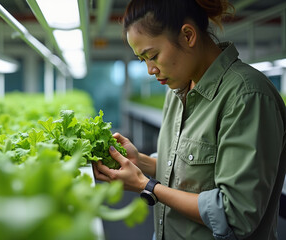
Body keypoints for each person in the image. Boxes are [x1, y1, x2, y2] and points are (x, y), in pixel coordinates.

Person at [93, 0, 286, 239]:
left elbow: (235, 214)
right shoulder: (176, 91)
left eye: (152, 55)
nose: (150, 70)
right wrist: (139, 161)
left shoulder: (247, 96)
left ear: (187, 35)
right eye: (143, 60)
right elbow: (190, 171)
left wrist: (147, 185)